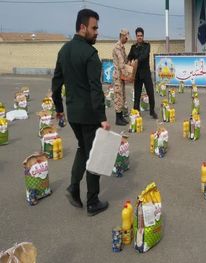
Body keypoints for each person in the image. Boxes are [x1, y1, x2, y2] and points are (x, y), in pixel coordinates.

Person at [51, 9, 110, 216]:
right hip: (89, 116)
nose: (97, 32)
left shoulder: (64, 51)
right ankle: (92, 201)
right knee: (95, 156)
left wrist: (59, 109)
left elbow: (56, 84)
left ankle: (73, 188)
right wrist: (102, 118)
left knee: (83, 149)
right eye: (94, 28)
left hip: (73, 114)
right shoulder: (91, 55)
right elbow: (96, 89)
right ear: (82, 27)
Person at [127, 27, 158, 119]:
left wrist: (136, 60)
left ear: (143, 36)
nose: (139, 37)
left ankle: (152, 111)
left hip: (146, 73)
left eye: (141, 36)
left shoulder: (147, 45)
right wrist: (128, 62)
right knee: (137, 93)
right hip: (137, 74)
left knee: (150, 92)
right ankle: (136, 111)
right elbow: (129, 57)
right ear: (136, 36)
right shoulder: (133, 47)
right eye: (138, 36)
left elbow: (145, 55)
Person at [112, 28, 130, 126]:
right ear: (122, 36)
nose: (127, 39)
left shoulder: (122, 47)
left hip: (121, 76)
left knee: (122, 96)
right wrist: (127, 75)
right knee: (118, 96)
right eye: (126, 37)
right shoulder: (117, 47)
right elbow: (121, 63)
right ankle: (117, 118)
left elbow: (126, 59)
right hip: (118, 76)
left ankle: (121, 116)